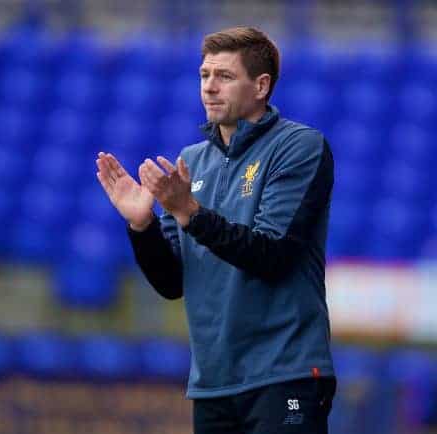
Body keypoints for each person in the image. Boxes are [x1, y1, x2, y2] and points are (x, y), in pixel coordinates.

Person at [96, 26, 336, 434]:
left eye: (224, 76)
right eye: (204, 75)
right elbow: (172, 281)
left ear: (261, 85)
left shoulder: (299, 147)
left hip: (284, 372)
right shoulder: (192, 161)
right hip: (213, 384)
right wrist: (143, 226)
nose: (209, 87)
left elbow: (271, 254)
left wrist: (190, 213)